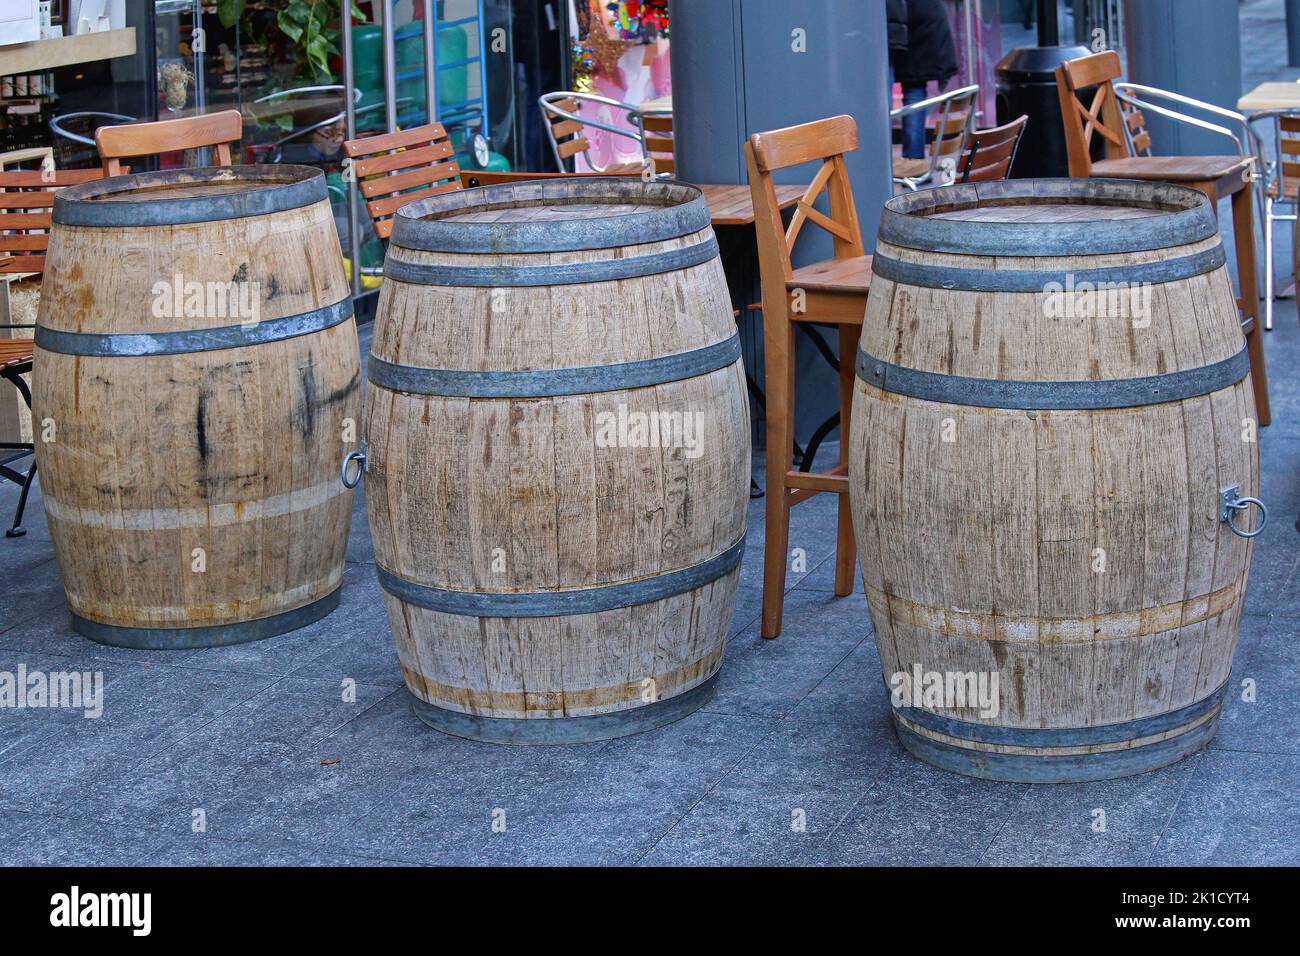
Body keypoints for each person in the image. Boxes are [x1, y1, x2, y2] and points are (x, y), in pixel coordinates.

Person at [891, 0, 958, 160]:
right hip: (922, 21)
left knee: (908, 90)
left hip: (903, 24)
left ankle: (909, 163)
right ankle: (914, 162)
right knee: (914, 89)